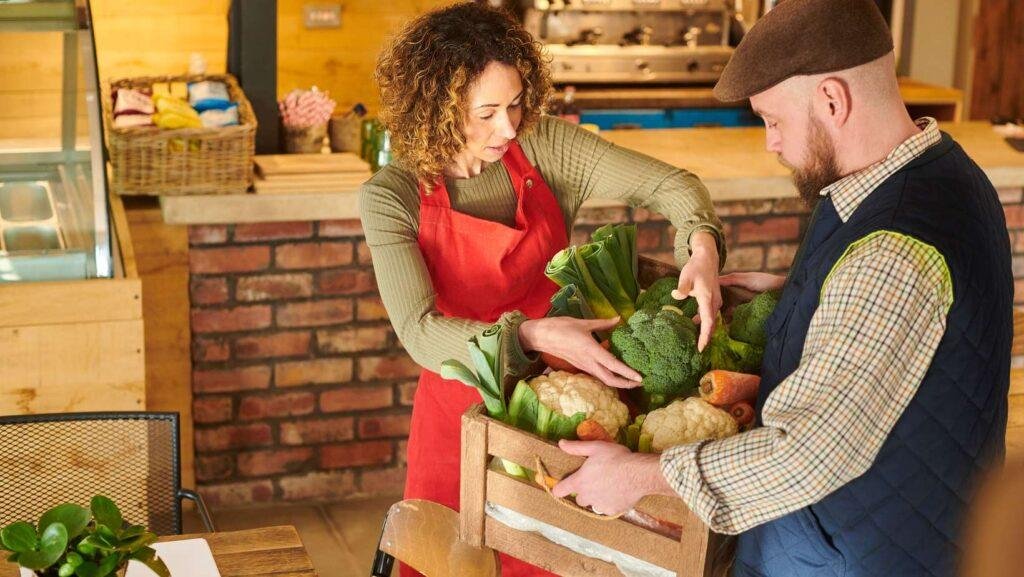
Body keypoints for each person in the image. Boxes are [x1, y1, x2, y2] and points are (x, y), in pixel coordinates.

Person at [553, 1, 1013, 576]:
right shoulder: (941, 174)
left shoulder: (890, 253)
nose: (770, 143)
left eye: (772, 120)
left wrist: (635, 477)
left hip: (859, 557)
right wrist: (812, 293)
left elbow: (804, 456)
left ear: (831, 101)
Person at [359, 3, 726, 576]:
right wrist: (529, 332)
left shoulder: (545, 149)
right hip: (459, 414)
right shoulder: (393, 195)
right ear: (435, 110)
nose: (508, 128)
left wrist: (700, 247)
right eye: (486, 113)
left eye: (515, 104)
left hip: (563, 411)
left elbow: (671, 184)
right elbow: (419, 332)